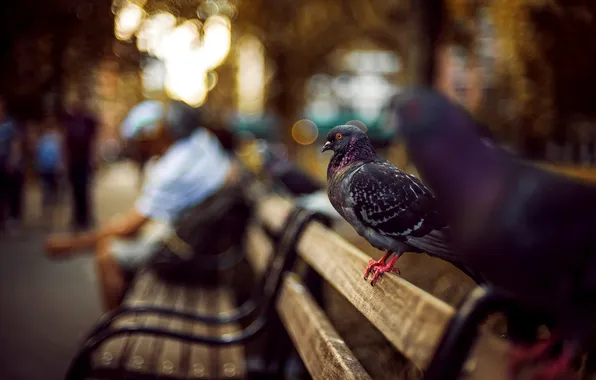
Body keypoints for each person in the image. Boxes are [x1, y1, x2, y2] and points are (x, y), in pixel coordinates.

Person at [45, 100, 241, 311]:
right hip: (210, 244)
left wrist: (72, 245)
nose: (140, 148)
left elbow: (130, 226)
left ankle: (117, 326)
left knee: (107, 255)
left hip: (196, 255)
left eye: (141, 141)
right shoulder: (202, 140)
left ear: (156, 134)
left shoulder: (172, 168)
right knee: (122, 239)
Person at [62, 100, 98, 230]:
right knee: (75, 190)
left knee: (84, 189)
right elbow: (65, 142)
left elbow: (94, 141)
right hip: (73, 162)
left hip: (85, 161)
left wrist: (94, 158)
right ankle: (77, 217)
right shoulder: (69, 122)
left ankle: (85, 217)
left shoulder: (88, 122)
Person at [36, 116, 64, 227]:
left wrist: (60, 164)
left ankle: (52, 216)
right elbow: (39, 154)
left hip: (54, 169)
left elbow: (61, 153)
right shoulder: (43, 139)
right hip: (45, 169)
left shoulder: (57, 138)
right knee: (46, 192)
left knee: (53, 192)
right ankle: (47, 215)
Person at [0, 97, 22, 232]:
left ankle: (13, 218)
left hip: (8, 164)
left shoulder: (10, 124)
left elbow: (16, 143)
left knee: (11, 192)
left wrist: (13, 161)